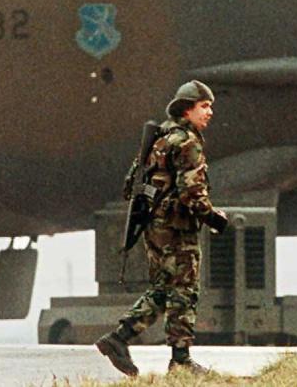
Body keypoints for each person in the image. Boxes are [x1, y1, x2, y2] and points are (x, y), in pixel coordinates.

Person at [95, 80, 227, 377]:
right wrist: (215, 218)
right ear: (187, 109)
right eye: (204, 107)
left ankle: (119, 338)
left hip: (156, 226)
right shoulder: (187, 142)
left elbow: (132, 183)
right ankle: (180, 360)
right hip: (178, 229)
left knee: (163, 289)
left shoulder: (159, 139)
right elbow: (192, 193)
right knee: (184, 291)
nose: (210, 113)